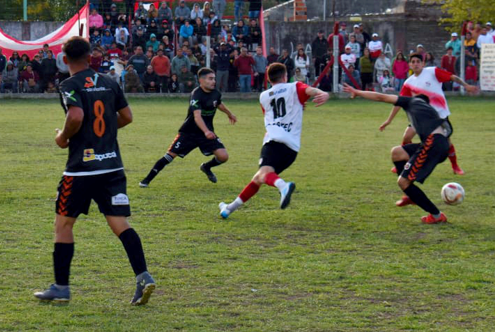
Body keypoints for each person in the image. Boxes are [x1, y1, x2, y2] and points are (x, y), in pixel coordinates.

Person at [33, 36, 155, 305]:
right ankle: (143, 276)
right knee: (120, 224)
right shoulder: (110, 82)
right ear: (91, 57)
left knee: (63, 224)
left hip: (81, 169)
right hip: (112, 165)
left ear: (64, 60)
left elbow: (75, 116)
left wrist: (62, 137)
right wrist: (105, 133)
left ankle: (61, 287)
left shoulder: (69, 84)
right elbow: (127, 117)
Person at [219, 62, 329, 218]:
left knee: (264, 175)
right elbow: (310, 91)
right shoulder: (295, 87)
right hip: (292, 148)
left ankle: (283, 187)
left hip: (274, 142)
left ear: (269, 80)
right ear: (285, 76)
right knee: (259, 178)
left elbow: (272, 112)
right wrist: (323, 93)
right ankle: (229, 208)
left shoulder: (263, 97)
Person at [343, 85, 452, 224]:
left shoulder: (411, 102)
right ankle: (411, 194)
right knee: (397, 153)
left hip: (432, 143)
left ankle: (436, 215)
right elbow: (412, 135)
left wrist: (357, 92)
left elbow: (381, 97)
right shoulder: (429, 111)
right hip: (439, 144)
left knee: (403, 182)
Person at [379, 52, 477, 177]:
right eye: (413, 62)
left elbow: (452, 77)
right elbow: (399, 102)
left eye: (418, 62)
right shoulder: (408, 83)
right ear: (409, 65)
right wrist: (389, 120)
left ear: (423, 64)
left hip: (438, 116)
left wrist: (466, 85)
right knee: (407, 136)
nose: (415, 64)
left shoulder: (432, 72)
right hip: (421, 117)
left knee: (447, 142)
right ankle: (405, 162)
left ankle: (455, 166)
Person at [139, 67, 237, 187]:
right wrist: (206, 131)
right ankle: (146, 180)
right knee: (169, 156)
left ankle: (206, 167)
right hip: (189, 133)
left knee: (223, 156)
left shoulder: (215, 93)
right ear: (201, 80)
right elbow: (197, 116)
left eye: (214, 79)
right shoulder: (196, 95)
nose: (213, 81)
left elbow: (218, 104)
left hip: (206, 133)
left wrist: (229, 114)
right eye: (210, 79)